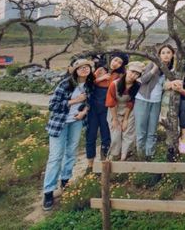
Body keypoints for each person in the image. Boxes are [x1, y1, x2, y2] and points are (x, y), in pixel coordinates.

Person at [42, 58, 93, 211]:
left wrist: (83, 112)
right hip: (60, 123)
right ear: (75, 70)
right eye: (81, 67)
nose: (84, 69)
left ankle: (65, 180)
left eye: (87, 67)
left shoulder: (89, 84)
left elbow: (89, 102)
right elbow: (53, 105)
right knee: (56, 156)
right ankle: (48, 191)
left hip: (76, 122)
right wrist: (74, 100)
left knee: (71, 153)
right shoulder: (65, 84)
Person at [86, 52, 127, 171]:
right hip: (93, 108)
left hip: (107, 109)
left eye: (120, 62)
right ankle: (90, 166)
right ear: (111, 59)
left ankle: (104, 165)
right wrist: (101, 78)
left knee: (106, 136)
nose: (116, 63)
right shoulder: (100, 70)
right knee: (91, 136)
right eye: (115, 60)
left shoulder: (120, 75)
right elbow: (89, 84)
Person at [134, 44, 174, 159]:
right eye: (163, 53)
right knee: (141, 129)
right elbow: (142, 80)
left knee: (152, 130)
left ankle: (149, 155)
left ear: (172, 55)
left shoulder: (171, 70)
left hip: (156, 102)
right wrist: (154, 69)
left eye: (168, 52)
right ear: (159, 55)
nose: (166, 55)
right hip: (143, 99)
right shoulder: (152, 64)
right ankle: (140, 156)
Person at [106, 61, 144, 162]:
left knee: (128, 132)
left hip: (129, 110)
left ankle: (124, 156)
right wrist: (115, 119)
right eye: (132, 72)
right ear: (127, 70)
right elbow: (111, 102)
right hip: (114, 110)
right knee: (116, 133)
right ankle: (115, 155)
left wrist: (125, 119)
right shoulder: (115, 84)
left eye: (137, 74)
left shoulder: (137, 86)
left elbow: (131, 102)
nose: (133, 75)